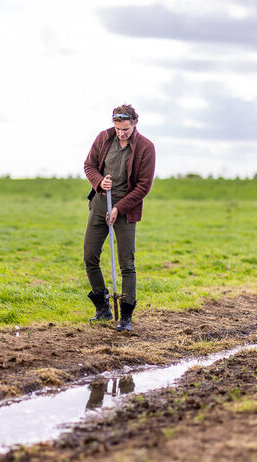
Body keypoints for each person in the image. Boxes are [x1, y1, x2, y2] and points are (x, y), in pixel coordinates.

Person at [83, 104, 155, 332]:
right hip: (101, 201)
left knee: (127, 263)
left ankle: (125, 316)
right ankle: (102, 308)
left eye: (125, 129)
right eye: (118, 129)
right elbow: (89, 165)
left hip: (127, 206)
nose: (121, 134)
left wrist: (119, 208)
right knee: (90, 256)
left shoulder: (146, 147)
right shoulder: (104, 138)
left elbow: (144, 186)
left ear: (135, 124)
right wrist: (99, 181)